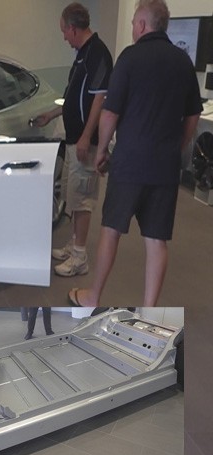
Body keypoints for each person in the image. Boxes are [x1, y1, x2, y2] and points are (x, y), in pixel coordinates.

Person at [68, 0, 202, 307]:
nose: (131, 28)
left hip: (129, 163)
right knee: (156, 240)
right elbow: (193, 115)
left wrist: (102, 150)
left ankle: (93, 297)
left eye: (132, 23)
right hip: (165, 168)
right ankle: (149, 310)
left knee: (111, 230)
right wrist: (178, 146)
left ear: (142, 24)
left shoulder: (130, 57)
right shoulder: (183, 61)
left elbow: (110, 113)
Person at [34, 3, 113, 277]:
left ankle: (80, 257)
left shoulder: (98, 53)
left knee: (83, 198)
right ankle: (73, 244)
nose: (64, 37)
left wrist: (86, 137)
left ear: (73, 27)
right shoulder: (82, 54)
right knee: (73, 195)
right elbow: (72, 98)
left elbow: (100, 100)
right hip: (73, 139)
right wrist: (51, 114)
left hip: (84, 142)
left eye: (64, 31)